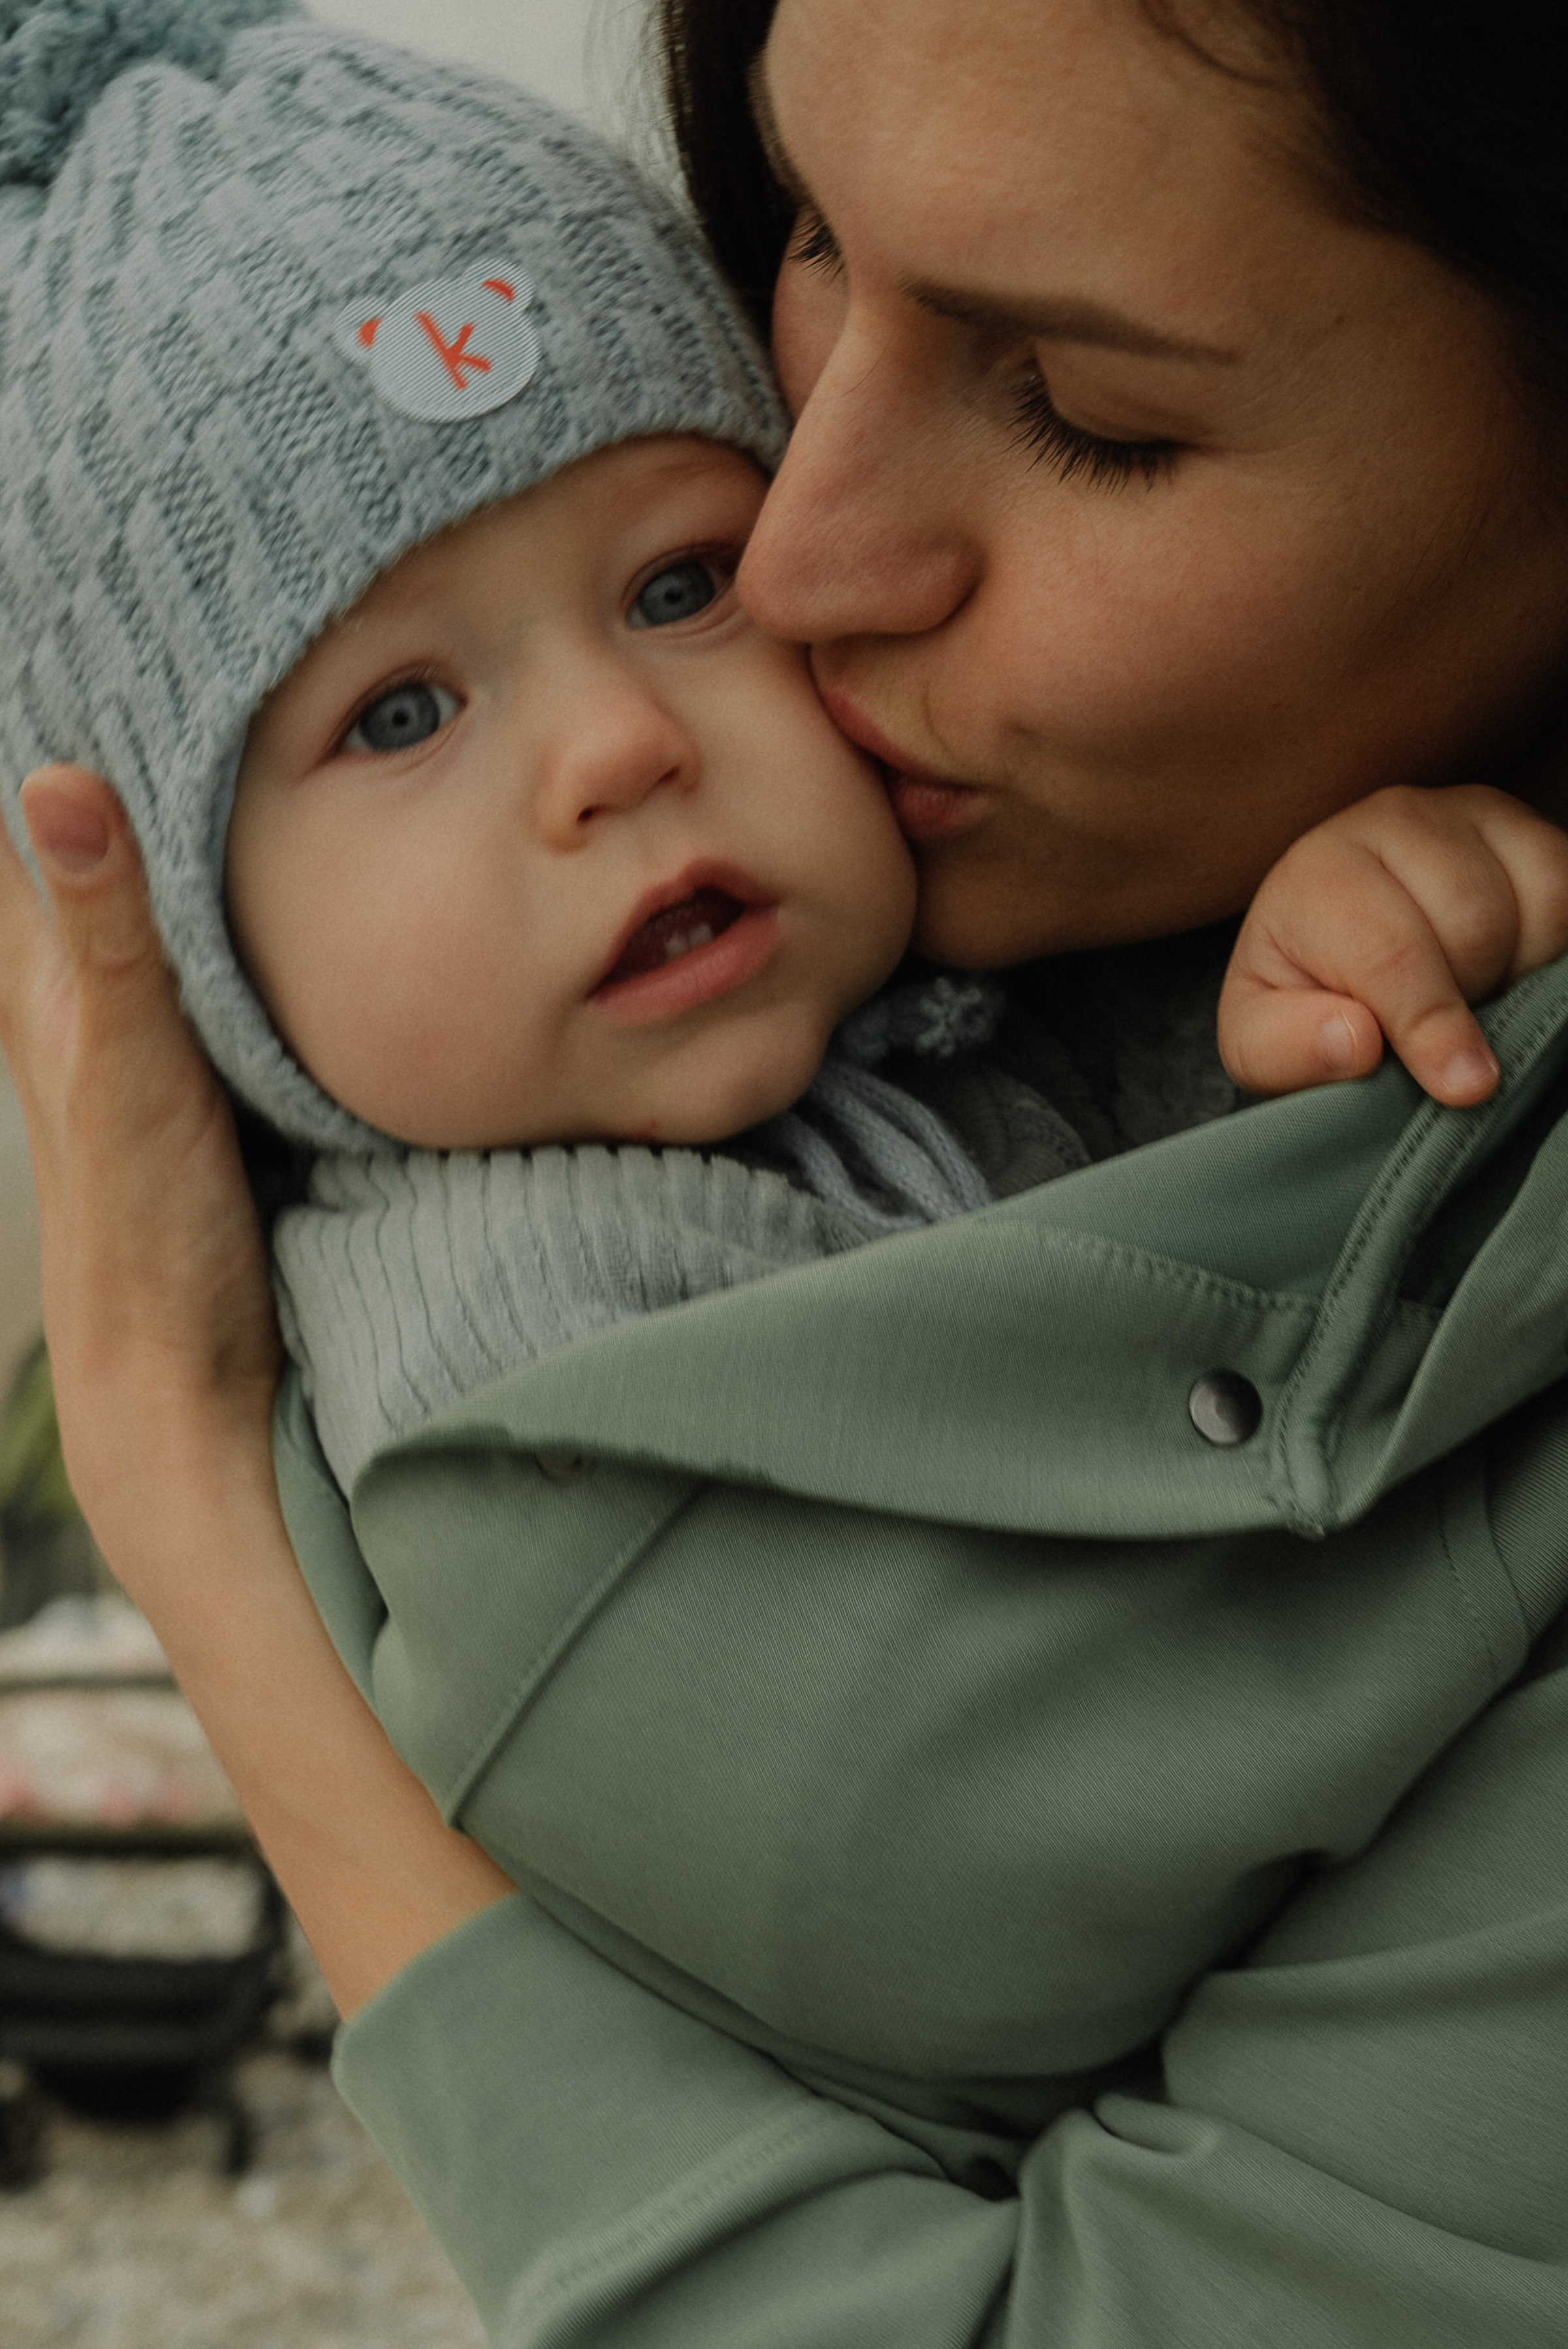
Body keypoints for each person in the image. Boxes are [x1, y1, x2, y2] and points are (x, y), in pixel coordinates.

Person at [3, 0, 1568, 2341]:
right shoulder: (549, 1420)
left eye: (674, 580)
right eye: (809, 240)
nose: (798, 566)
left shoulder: (913, 1015)